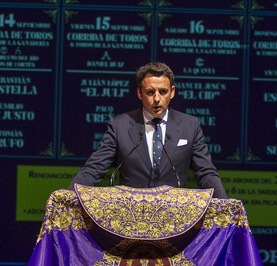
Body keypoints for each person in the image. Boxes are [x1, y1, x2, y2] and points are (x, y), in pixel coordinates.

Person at [70, 61, 227, 197]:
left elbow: (206, 172)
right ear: (139, 93)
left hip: (175, 218)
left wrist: (225, 205)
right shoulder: (120, 126)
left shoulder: (190, 126)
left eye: (163, 92)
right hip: (130, 217)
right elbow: (93, 169)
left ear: (172, 92)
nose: (157, 99)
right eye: (150, 92)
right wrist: (66, 198)